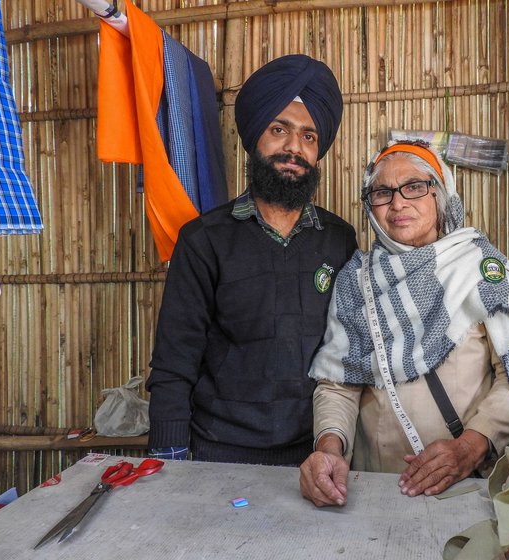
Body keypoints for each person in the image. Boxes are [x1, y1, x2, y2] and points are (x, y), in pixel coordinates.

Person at [299, 141, 509, 506]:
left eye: (415, 187)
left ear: (441, 196)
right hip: (372, 489)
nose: (398, 202)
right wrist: (329, 448)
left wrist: (468, 448)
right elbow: (340, 385)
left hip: (466, 485)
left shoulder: (479, 269)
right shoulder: (356, 281)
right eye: (382, 192)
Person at [146, 54, 358, 466]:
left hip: (313, 454)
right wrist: (168, 459)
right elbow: (175, 360)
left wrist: (336, 445)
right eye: (279, 130)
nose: (294, 148)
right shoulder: (203, 240)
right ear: (255, 135)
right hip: (218, 451)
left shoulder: (339, 240)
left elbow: (350, 353)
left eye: (309, 136)